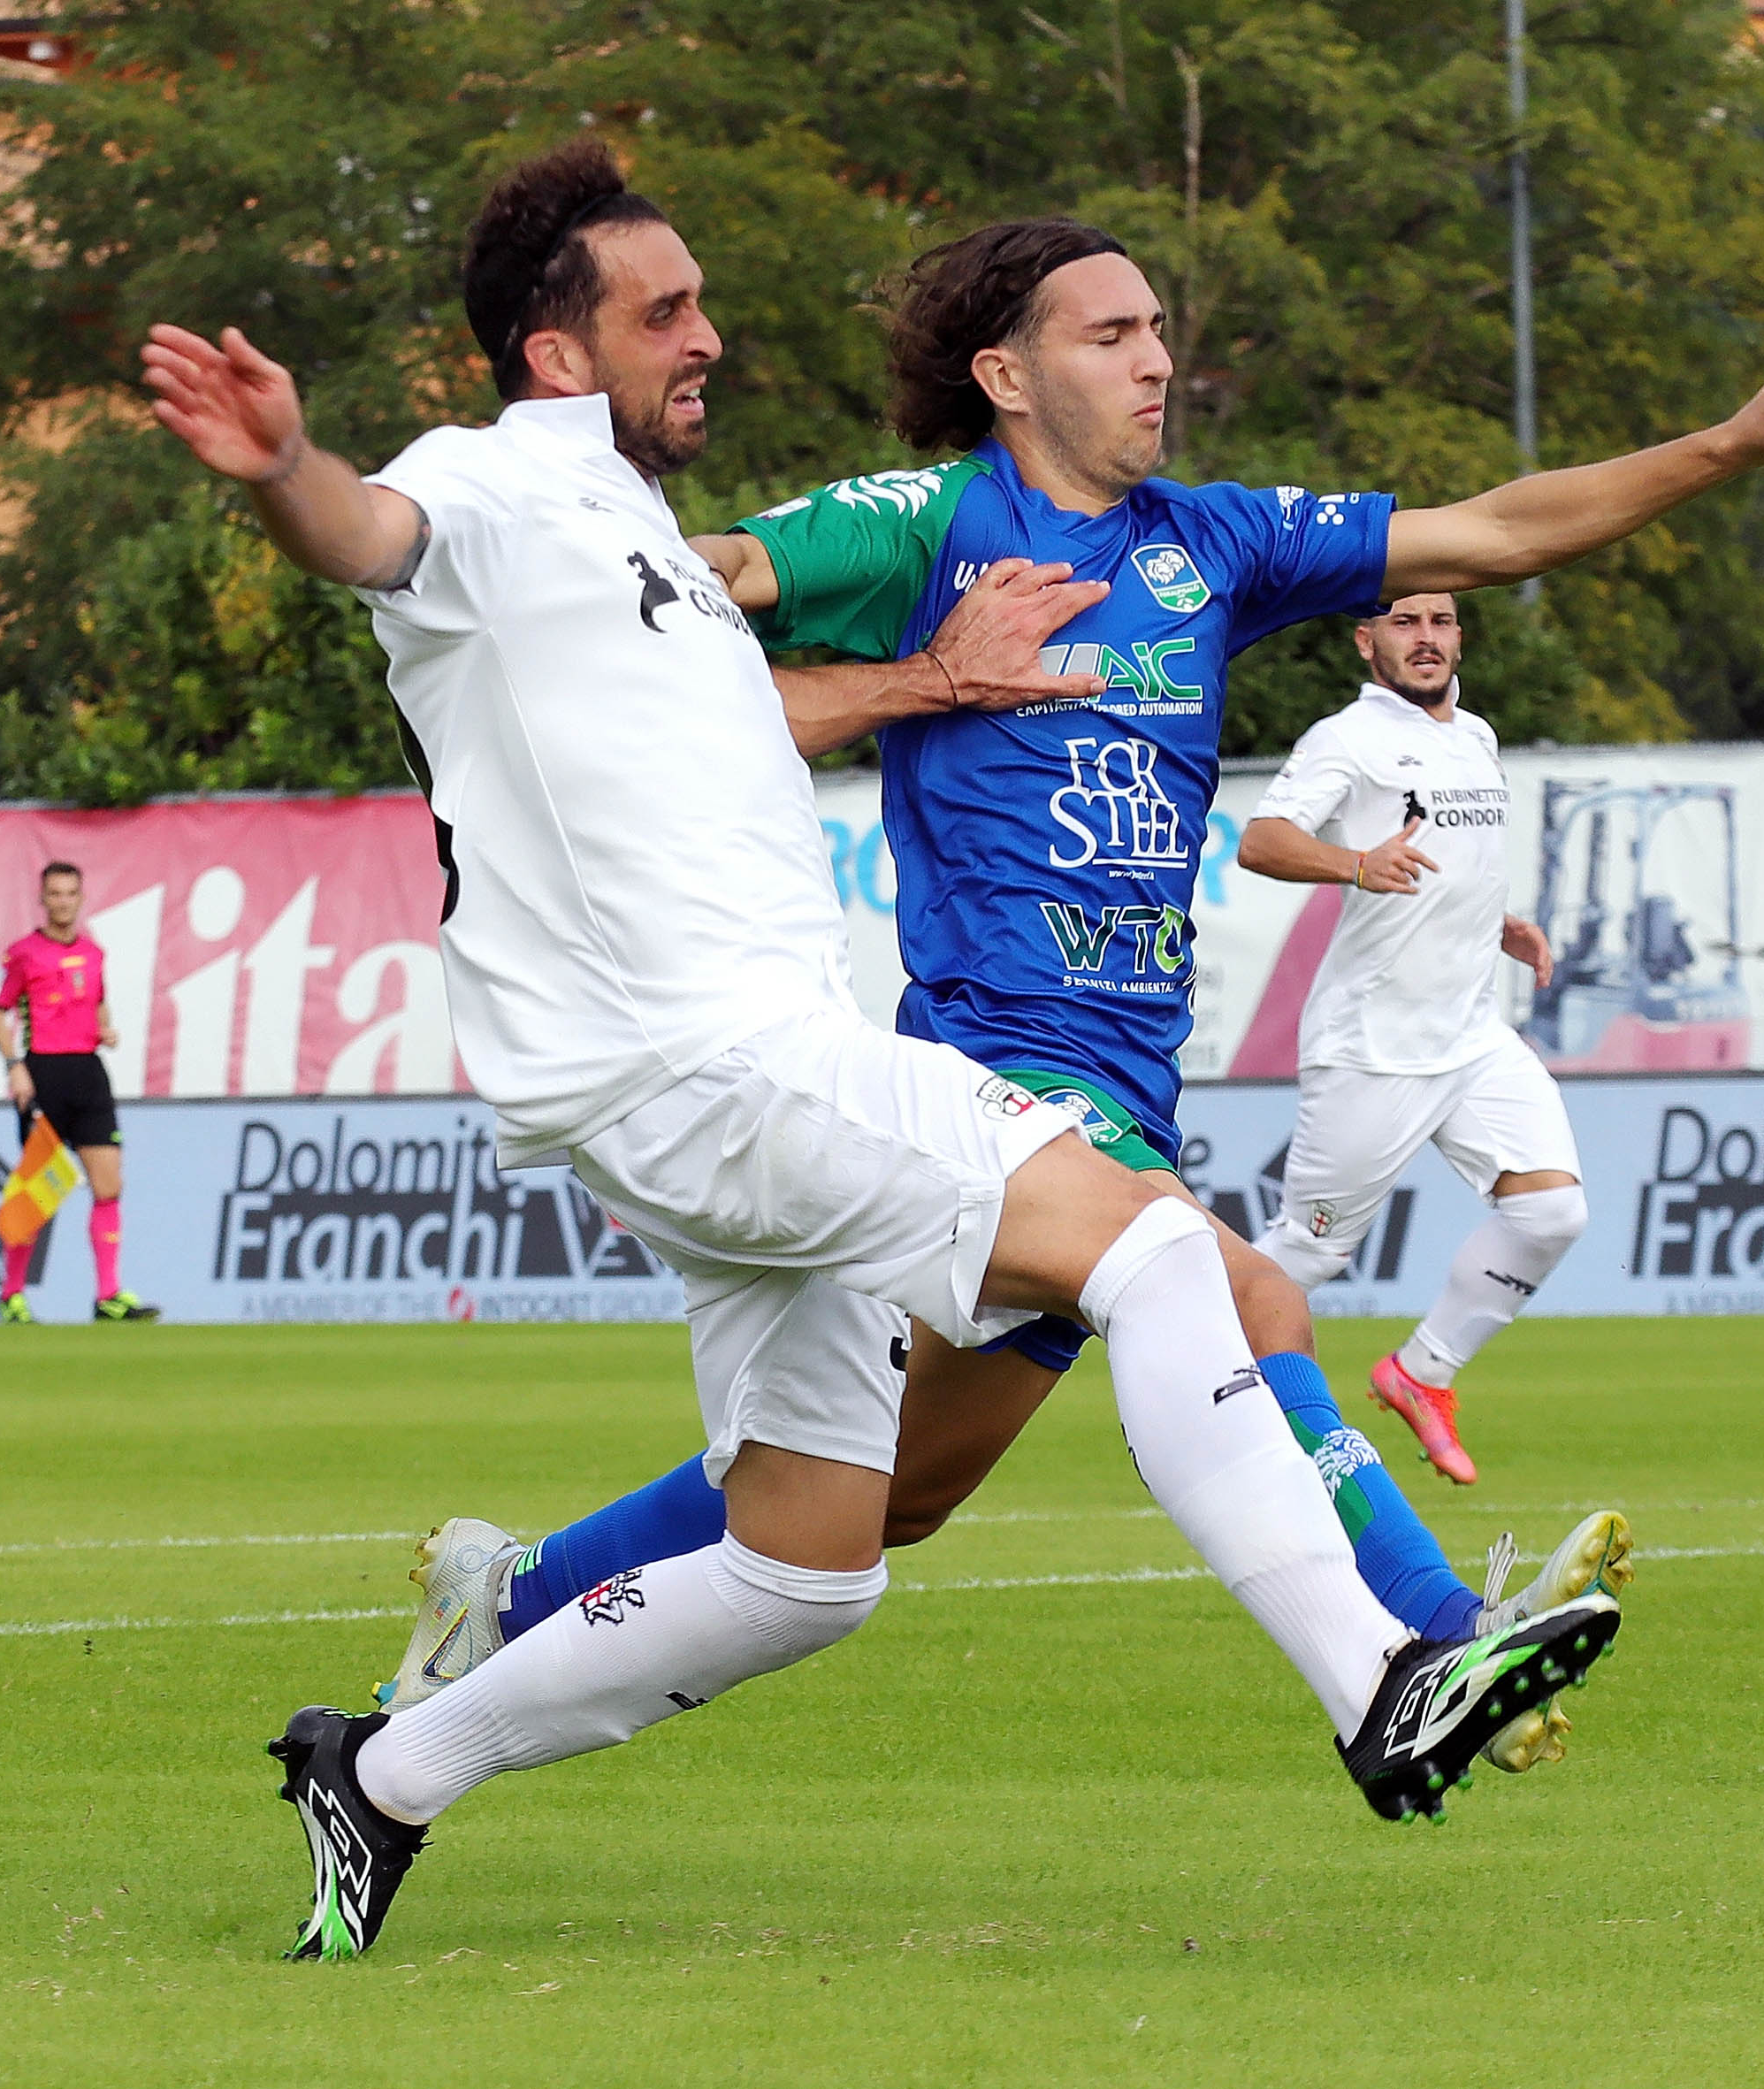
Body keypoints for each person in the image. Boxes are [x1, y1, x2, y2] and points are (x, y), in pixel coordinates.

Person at [144, 141, 1623, 1962]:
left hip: (724, 1066)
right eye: (661, 311)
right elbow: (369, 534)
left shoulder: (637, 547)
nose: (708, 336)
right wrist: (285, 466)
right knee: (1166, 1258)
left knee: (806, 1559)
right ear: (551, 353)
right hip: (707, 1056)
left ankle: (381, 1773)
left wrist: (935, 679)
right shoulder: (498, 487)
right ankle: (1381, 1674)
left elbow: (758, 718)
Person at [378, 218, 1764, 1757]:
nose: (1154, 357)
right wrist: (578, 582)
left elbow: (1494, 531)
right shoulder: (920, 523)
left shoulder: (1212, 540)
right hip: (990, 1065)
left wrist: (1734, 437)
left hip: (1126, 1073)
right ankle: (1439, 1646)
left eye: (1155, 328)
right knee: (1246, 1290)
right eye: (1107, 334)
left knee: (890, 1494)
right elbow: (682, 605)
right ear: (1006, 373)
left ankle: (505, 1592)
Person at [1237, 593, 1573, 1485]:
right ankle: (1200, 1391)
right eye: (1404, 622)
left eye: (1442, 621)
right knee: (1304, 1253)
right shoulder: (1345, 737)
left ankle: (1421, 1373)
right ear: (1366, 639)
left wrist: (1498, 923)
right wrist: (1354, 863)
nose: (1426, 639)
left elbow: (1447, 866)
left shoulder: (1479, 737)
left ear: (1460, 636)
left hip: (1469, 1036)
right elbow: (1260, 841)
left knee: (1551, 1211)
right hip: (1371, 1047)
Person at [0, 861, 159, 1325]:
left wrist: (104, 1029)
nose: (62, 901)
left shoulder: (93, 953)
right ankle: (11, 1295)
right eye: (55, 894)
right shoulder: (23, 954)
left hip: (88, 1074)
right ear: (42, 899)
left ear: (81, 898)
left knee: (109, 1186)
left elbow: (97, 998)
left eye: (70, 894)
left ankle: (107, 1296)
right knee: (38, 1192)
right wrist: (15, 1067)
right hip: (45, 1074)